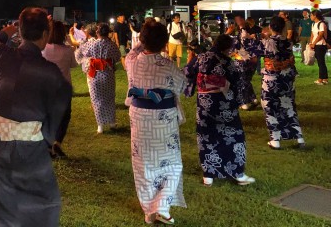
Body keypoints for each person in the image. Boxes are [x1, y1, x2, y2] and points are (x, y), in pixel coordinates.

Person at [0, 7, 72, 227]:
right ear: (45, 34)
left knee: (2, 202)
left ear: (21, 31)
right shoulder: (49, 72)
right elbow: (60, 107)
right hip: (30, 144)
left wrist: (8, 30)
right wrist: (49, 137)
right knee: (39, 205)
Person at [125, 21, 187, 225]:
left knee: (143, 165)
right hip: (163, 118)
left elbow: (134, 50)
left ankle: (150, 211)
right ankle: (161, 206)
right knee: (172, 164)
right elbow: (183, 85)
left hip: (139, 116)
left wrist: (143, 41)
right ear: (164, 43)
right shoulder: (168, 66)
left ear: (142, 40)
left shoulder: (131, 61)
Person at [184, 34, 255, 187]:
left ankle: (208, 175)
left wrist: (191, 88)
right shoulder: (228, 62)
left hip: (205, 102)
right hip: (224, 102)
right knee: (234, 136)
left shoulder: (200, 58)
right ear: (228, 48)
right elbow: (238, 82)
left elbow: (188, 71)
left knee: (206, 136)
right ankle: (237, 173)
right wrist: (239, 100)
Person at [243, 16, 306, 149]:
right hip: (287, 78)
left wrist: (246, 34)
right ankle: (299, 138)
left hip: (272, 79)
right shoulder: (288, 42)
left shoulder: (268, 43)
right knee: (288, 105)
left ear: (270, 27)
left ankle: (275, 140)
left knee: (270, 106)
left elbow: (249, 48)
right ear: (283, 28)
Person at [75, 22, 121, 134]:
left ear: (98, 32)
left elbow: (80, 52)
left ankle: (100, 126)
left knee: (97, 99)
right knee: (109, 98)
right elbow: (117, 56)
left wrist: (86, 60)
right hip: (108, 74)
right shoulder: (111, 45)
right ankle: (112, 122)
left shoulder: (91, 44)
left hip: (95, 74)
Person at [42, 20, 77, 157]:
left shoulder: (43, 49)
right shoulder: (67, 50)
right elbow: (73, 65)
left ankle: (48, 145)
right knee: (64, 116)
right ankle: (57, 142)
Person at [309, 10, 328, 85]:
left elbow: (320, 35)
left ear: (315, 16)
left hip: (321, 45)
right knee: (321, 62)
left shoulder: (321, 24)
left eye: (311, 15)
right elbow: (312, 34)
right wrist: (311, 43)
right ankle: (325, 78)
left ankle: (321, 79)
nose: (310, 16)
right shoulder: (313, 24)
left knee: (321, 62)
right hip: (316, 45)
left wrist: (314, 43)